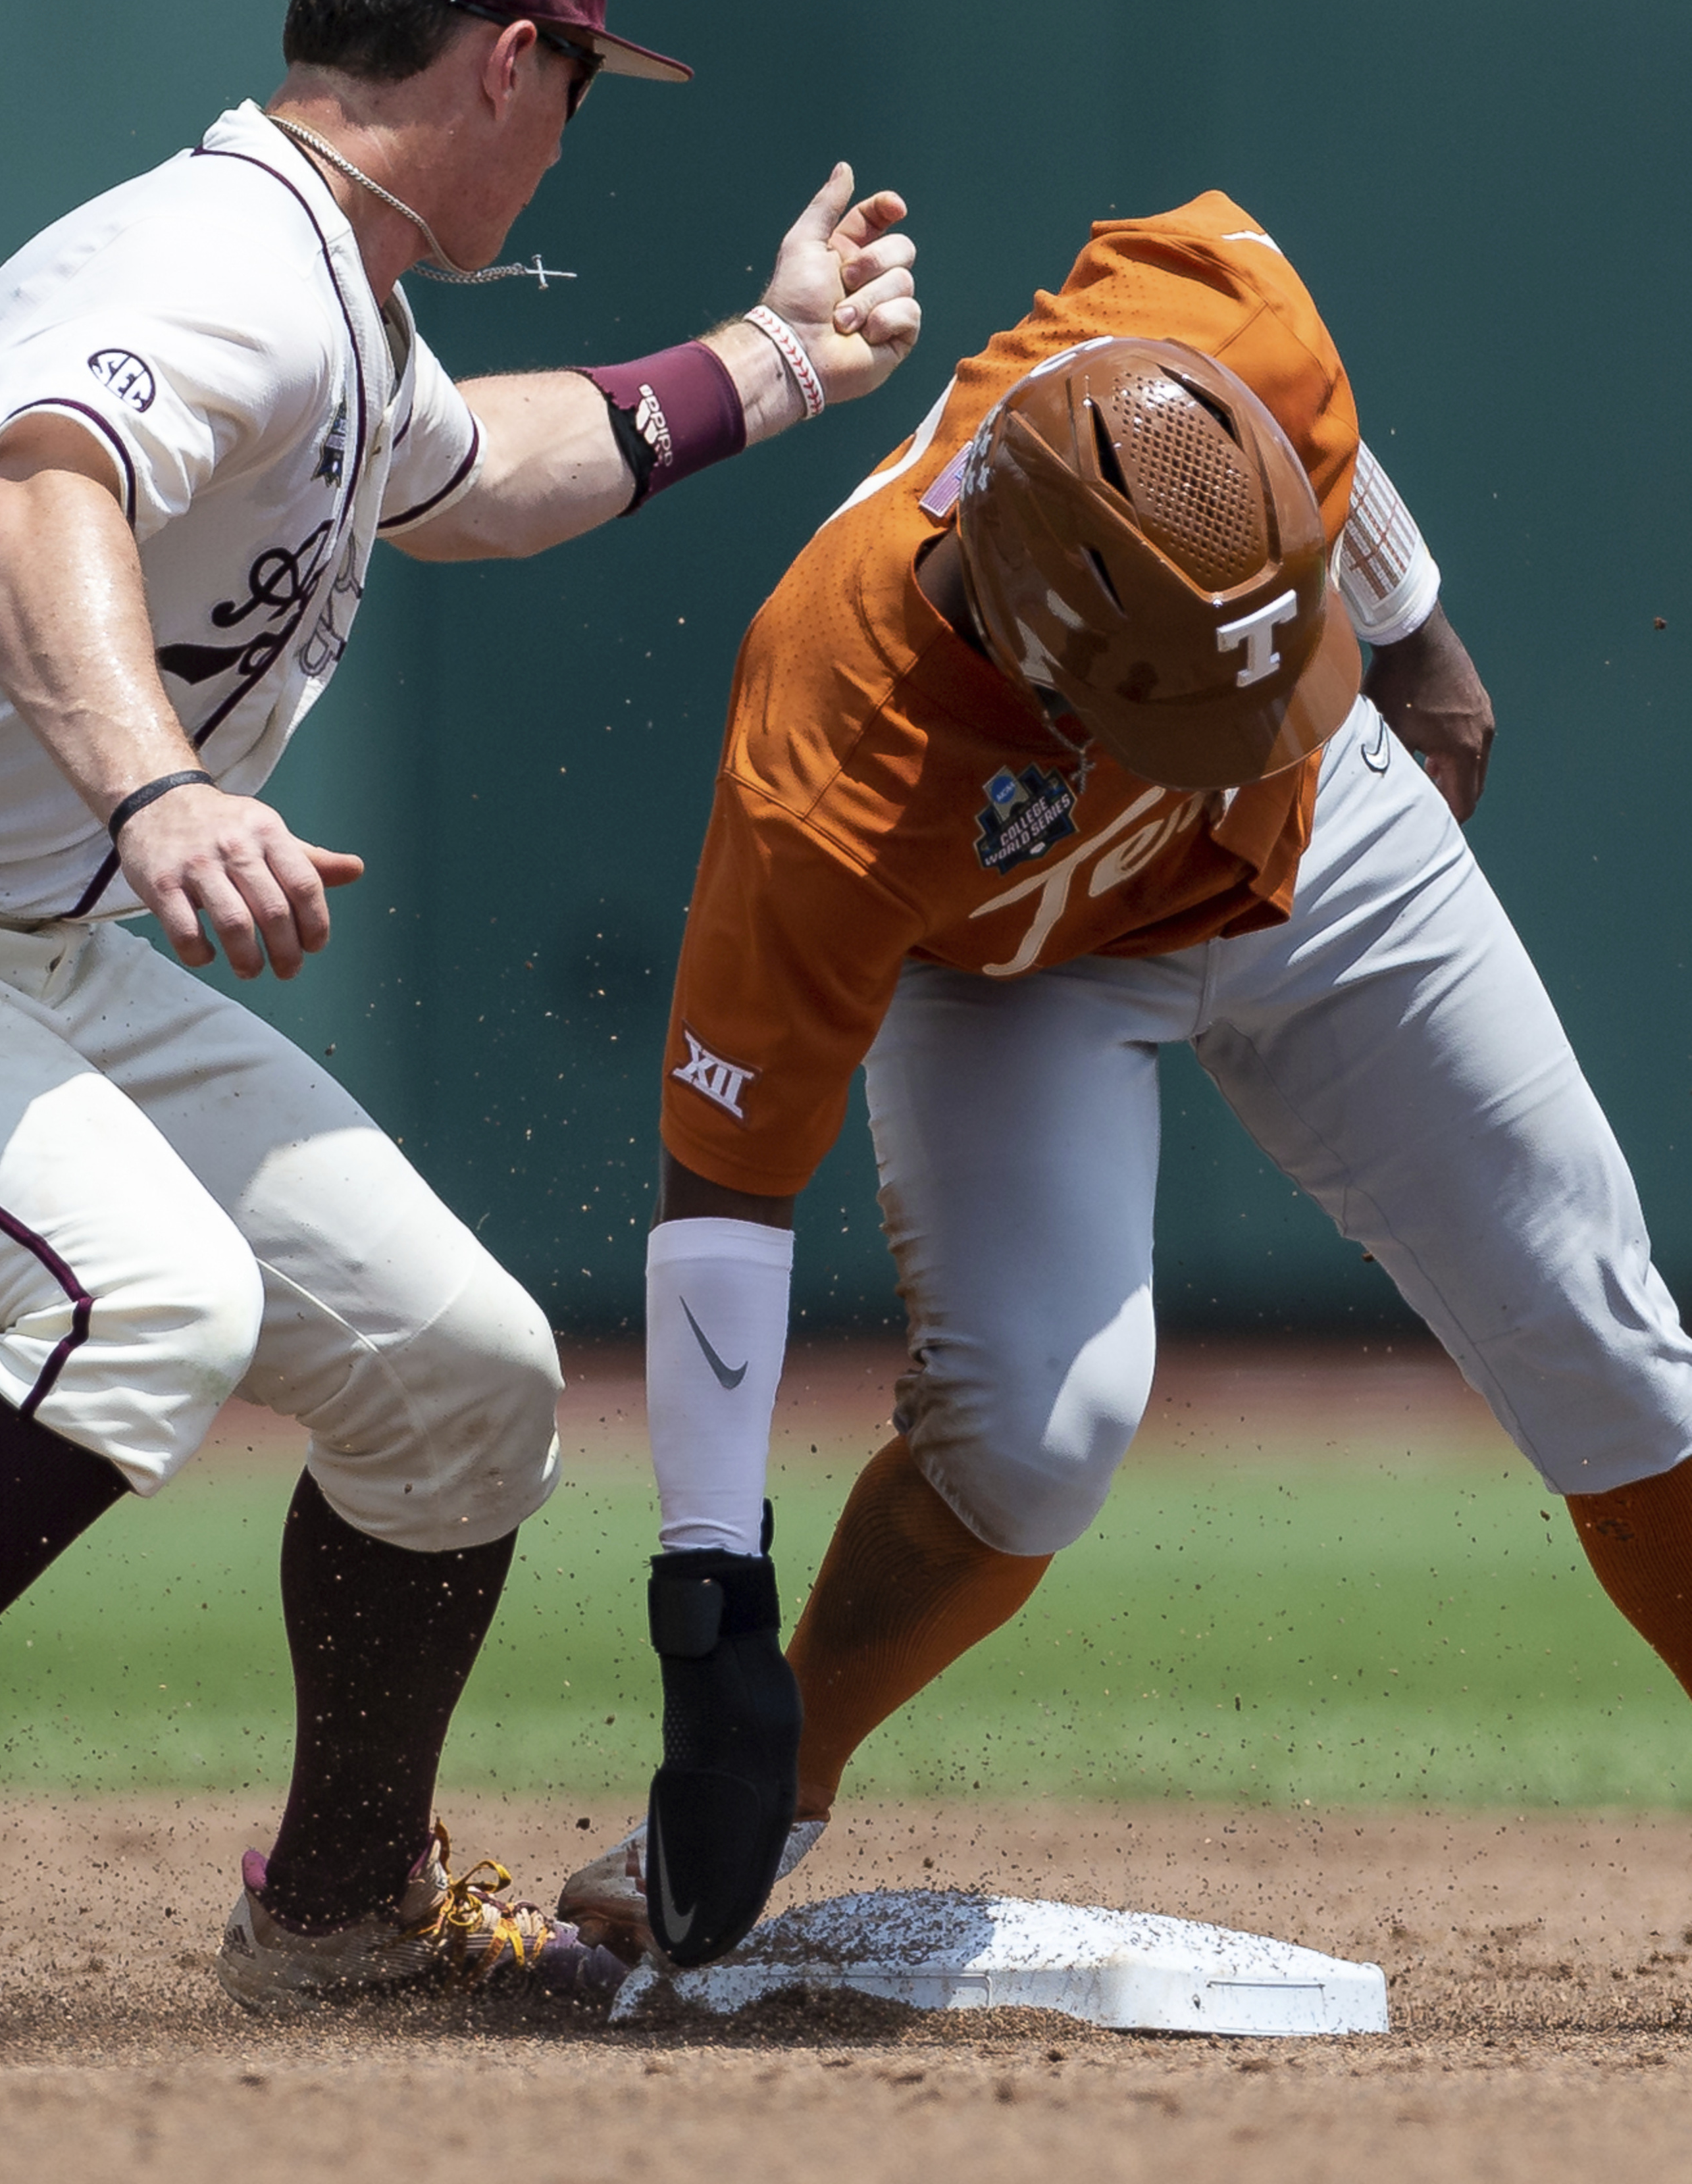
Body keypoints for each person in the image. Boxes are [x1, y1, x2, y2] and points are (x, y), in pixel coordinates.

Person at [0, 0, 919, 2017]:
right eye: (575, 91)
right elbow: (32, 488)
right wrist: (160, 782)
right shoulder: (226, 263)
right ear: (505, 63)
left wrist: (768, 360)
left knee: (461, 1384)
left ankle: (341, 1912)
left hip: (3, 945)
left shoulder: (331, 300)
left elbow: (478, 473)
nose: (567, 144)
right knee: (151, 1298)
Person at [560, 193, 1692, 1969]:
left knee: (1611, 1344)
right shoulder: (836, 753)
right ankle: (779, 1779)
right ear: (1027, 633)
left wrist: (1410, 640)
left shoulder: (1224, 326)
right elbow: (727, 1211)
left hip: (1331, 838)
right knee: (1036, 1432)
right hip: (1018, 965)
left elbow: (1325, 421)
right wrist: (709, 1621)